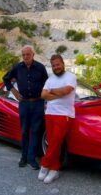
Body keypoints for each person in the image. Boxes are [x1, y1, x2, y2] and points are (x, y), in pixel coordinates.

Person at [2, 45, 48, 170]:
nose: (26, 57)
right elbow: (5, 79)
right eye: (23, 55)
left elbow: (47, 83)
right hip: (24, 104)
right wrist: (15, 92)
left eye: (28, 54)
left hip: (38, 103)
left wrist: (45, 95)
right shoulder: (18, 67)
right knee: (24, 131)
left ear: (33, 55)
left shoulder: (40, 67)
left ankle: (31, 159)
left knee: (35, 131)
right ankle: (23, 157)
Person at [37, 54, 76, 184]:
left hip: (64, 114)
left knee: (55, 142)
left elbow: (66, 90)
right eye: (53, 65)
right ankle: (54, 169)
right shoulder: (50, 79)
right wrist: (56, 93)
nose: (56, 67)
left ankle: (44, 164)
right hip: (49, 113)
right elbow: (43, 95)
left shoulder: (70, 77)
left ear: (63, 64)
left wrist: (51, 92)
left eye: (58, 64)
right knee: (51, 141)